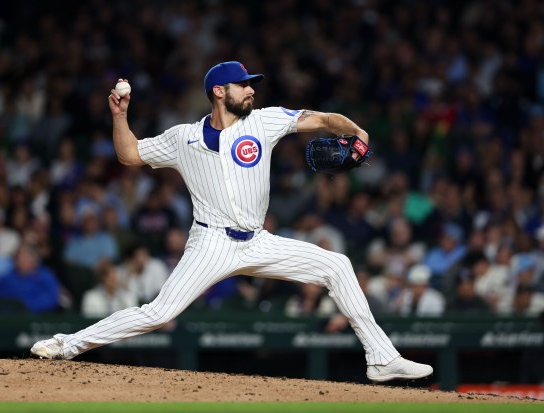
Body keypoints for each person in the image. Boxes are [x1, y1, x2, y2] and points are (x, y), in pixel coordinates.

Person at [31, 61, 433, 382]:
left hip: (258, 241)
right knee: (158, 314)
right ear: (219, 92)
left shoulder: (265, 121)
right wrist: (120, 117)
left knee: (338, 265)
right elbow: (130, 155)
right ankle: (67, 344)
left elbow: (325, 119)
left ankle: (381, 359)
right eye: (244, 85)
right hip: (210, 244)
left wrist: (357, 130)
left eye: (251, 83)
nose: (252, 89)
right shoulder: (182, 137)